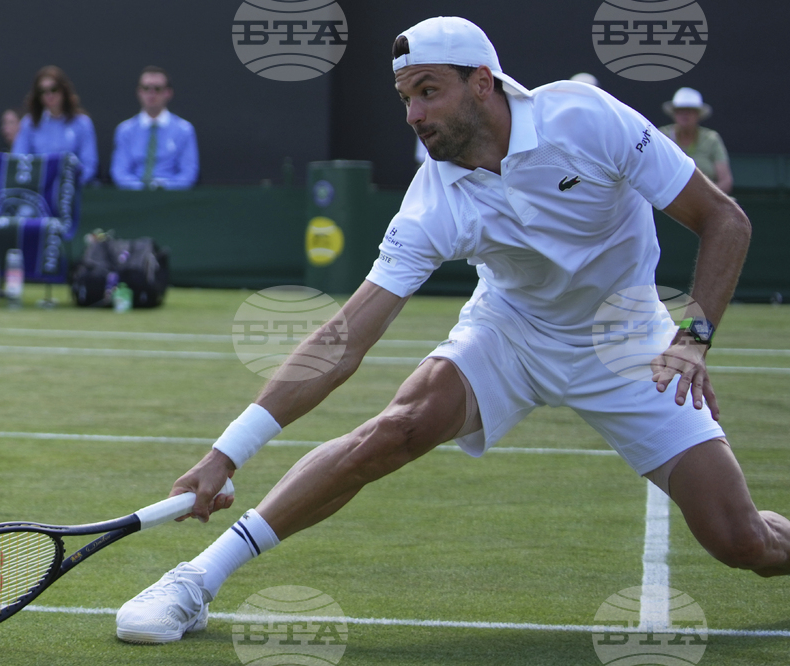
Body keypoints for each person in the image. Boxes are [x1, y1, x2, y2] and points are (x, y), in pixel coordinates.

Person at [114, 16, 790, 645]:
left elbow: (724, 220)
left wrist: (691, 339)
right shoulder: (431, 200)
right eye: (405, 98)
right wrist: (225, 455)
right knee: (395, 428)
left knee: (743, 543)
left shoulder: (585, 119)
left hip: (630, 338)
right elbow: (342, 340)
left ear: (483, 83)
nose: (414, 114)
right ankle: (196, 580)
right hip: (511, 330)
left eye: (429, 91)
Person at [111, 66, 199, 190]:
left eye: (157, 89)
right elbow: (120, 172)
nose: (151, 94)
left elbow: (188, 174)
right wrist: (141, 188)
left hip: (172, 197)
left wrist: (162, 187)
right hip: (133, 196)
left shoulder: (184, 130)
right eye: (146, 88)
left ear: (168, 93)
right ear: (139, 92)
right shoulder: (125, 130)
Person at [12, 66, 98, 185]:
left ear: (64, 90)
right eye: (42, 91)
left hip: (71, 188)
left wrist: (70, 183)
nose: (49, 95)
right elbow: (18, 159)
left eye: (53, 89)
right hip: (38, 188)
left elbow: (89, 165)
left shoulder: (82, 123)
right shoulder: (29, 123)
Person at [659, 87, 733, 194]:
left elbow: (726, 180)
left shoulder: (711, 138)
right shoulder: (662, 136)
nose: (685, 115)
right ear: (674, 113)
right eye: (680, 110)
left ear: (698, 114)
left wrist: (706, 198)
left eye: (690, 111)